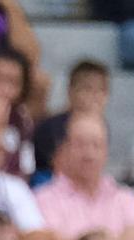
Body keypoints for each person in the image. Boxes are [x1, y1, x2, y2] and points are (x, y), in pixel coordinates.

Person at [32, 114, 134, 240]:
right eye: (80, 144)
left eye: (96, 145)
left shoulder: (125, 197)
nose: (89, 154)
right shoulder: (44, 198)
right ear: (64, 148)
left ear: (106, 151)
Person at [34, 60, 107, 188]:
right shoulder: (51, 127)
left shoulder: (102, 127)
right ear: (70, 91)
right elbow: (62, 167)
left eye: (100, 90)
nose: (94, 96)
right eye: (87, 89)